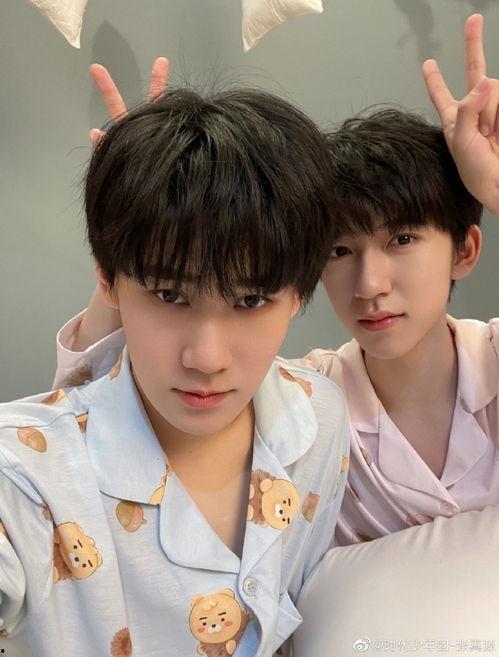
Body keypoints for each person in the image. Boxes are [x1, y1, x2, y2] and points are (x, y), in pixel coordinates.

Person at [58, 14, 498, 547]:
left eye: (402, 239)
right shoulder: (303, 402)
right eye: (339, 250)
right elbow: (86, 419)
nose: (370, 285)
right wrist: (149, 211)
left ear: (464, 250)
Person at [0, 87, 351, 657]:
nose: (207, 358)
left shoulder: (320, 417)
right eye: (169, 295)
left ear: (297, 295)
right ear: (108, 280)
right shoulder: (23, 477)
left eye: (251, 300)